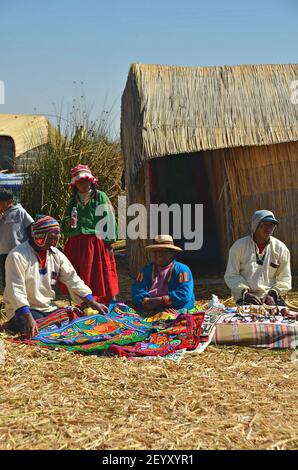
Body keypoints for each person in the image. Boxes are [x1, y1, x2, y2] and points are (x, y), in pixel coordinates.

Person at [3, 215, 108, 338]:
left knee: (71, 317)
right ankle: (13, 323)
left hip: (47, 308)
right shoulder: (17, 256)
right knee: (38, 328)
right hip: (24, 310)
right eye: (51, 238)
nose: (54, 242)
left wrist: (92, 302)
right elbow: (16, 289)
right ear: (39, 236)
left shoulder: (56, 254)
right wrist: (28, 317)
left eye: (56, 238)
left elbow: (72, 279)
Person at [61, 164, 119, 303]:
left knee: (98, 272)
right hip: (76, 243)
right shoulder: (73, 201)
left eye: (86, 181)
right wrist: (69, 222)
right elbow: (64, 223)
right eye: (80, 182)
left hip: (95, 242)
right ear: (76, 184)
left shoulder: (100, 197)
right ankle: (82, 301)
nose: (83, 184)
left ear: (91, 181)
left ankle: (102, 300)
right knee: (79, 273)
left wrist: (109, 242)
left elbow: (108, 218)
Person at [224, 210, 291, 305]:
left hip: (271, 298)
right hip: (245, 297)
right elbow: (231, 275)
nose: (268, 228)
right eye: (264, 225)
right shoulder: (239, 247)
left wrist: (273, 294)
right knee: (246, 319)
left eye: (271, 225)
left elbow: (285, 278)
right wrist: (246, 293)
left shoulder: (281, 248)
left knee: (282, 318)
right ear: (255, 226)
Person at [132, 234, 195, 311]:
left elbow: (184, 294)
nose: (159, 255)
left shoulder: (182, 270)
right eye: (156, 251)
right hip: (151, 307)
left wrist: (161, 301)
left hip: (174, 307)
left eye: (164, 251)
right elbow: (137, 292)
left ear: (172, 253)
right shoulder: (146, 270)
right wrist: (147, 302)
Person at [0, 188, 34, 293]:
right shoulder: (1, 215)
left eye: (0, 203)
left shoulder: (20, 212)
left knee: (20, 275)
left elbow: (31, 226)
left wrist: (32, 246)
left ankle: (23, 298)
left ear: (9, 202)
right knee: (7, 276)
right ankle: (9, 298)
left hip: (18, 251)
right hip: (3, 252)